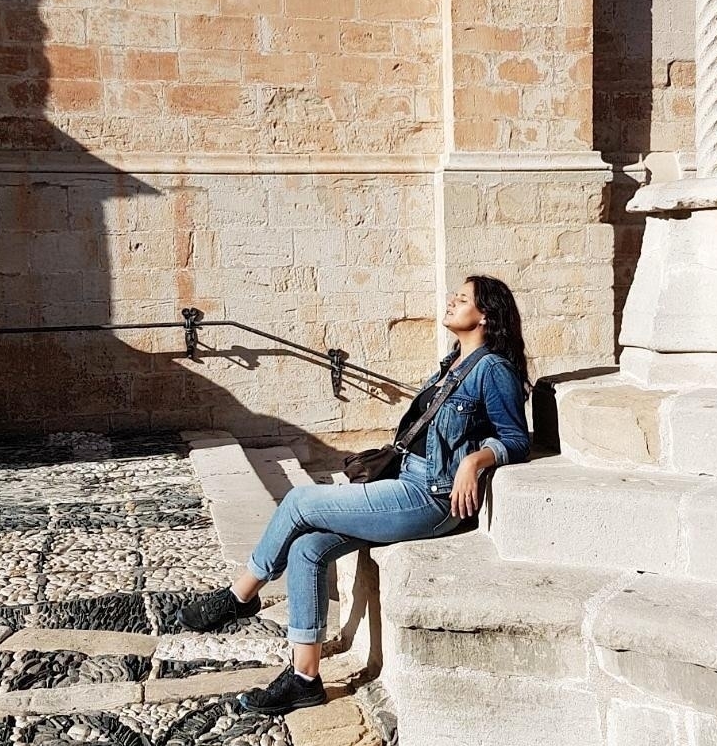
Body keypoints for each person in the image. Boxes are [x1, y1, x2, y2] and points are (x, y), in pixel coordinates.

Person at [177, 275, 530, 715]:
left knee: (299, 502)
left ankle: (239, 597)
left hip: (431, 499)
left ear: (485, 315)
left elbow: (516, 438)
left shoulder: (492, 369)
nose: (451, 302)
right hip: (405, 483)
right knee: (307, 549)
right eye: (453, 296)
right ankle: (305, 678)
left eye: (462, 299)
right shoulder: (451, 363)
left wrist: (475, 460)